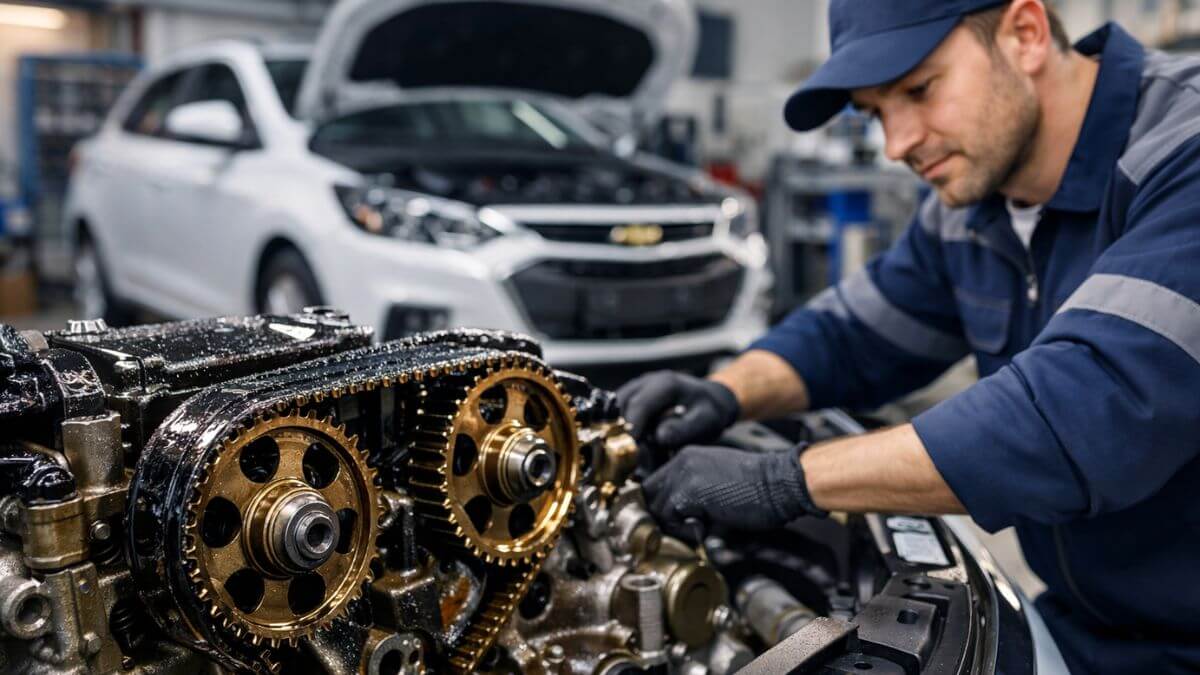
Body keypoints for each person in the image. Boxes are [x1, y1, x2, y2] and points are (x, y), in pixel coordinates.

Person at [617, 1, 1200, 672]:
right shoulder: (975, 203)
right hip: (1089, 627)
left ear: (1027, 33)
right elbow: (850, 334)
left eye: (919, 89)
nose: (896, 144)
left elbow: (1081, 411)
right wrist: (723, 392)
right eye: (874, 111)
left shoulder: (1182, 148)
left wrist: (780, 479)